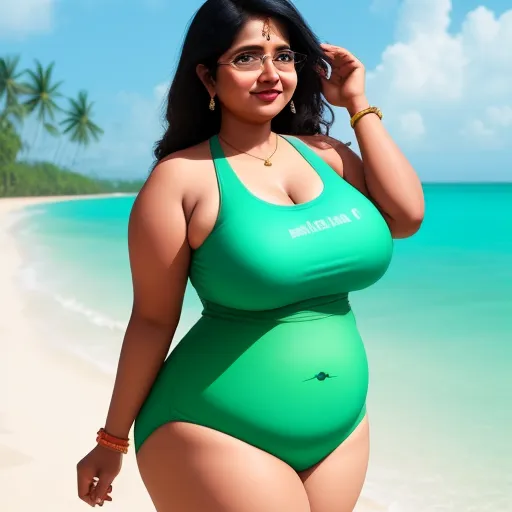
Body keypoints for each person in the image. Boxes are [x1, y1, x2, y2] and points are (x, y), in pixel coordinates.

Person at [76, 0, 425, 510]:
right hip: (214, 426)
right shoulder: (181, 179)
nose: (271, 74)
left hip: (341, 430)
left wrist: (357, 103)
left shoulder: (327, 155)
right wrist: (112, 440)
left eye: (284, 56)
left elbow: (407, 217)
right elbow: (152, 320)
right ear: (207, 77)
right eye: (246, 58)